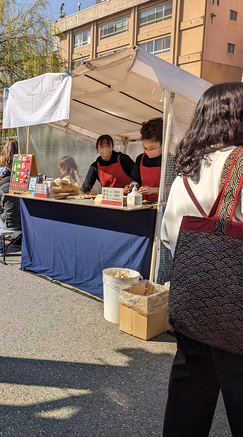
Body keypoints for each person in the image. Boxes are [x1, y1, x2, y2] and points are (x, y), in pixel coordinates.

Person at [160, 82, 243, 437]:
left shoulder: (185, 172)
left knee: (188, 400)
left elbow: (168, 236)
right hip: (236, 311)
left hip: (193, 305)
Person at [126, 117, 163, 201]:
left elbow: (173, 189)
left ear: (162, 144)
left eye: (152, 148)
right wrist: (133, 186)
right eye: (145, 148)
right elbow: (136, 179)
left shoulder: (169, 161)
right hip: (144, 202)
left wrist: (154, 190)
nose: (148, 151)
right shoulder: (140, 159)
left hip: (163, 205)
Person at [0, 167, 21, 253]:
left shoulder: (0, 190)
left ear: (0, 178)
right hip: (21, 223)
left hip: (9, 224)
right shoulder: (18, 186)